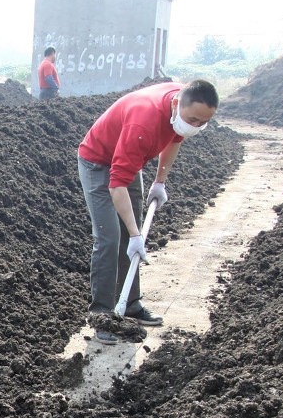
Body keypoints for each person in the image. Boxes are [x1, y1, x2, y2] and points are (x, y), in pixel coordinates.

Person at [77, 79, 219, 342]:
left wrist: (160, 181)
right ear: (176, 105)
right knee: (110, 238)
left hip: (129, 160)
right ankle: (102, 314)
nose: (195, 126)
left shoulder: (181, 109)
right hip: (98, 163)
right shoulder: (143, 124)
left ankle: (130, 304)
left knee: (131, 233)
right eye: (193, 119)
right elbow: (117, 183)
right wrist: (134, 234)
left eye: (202, 122)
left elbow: (176, 139)